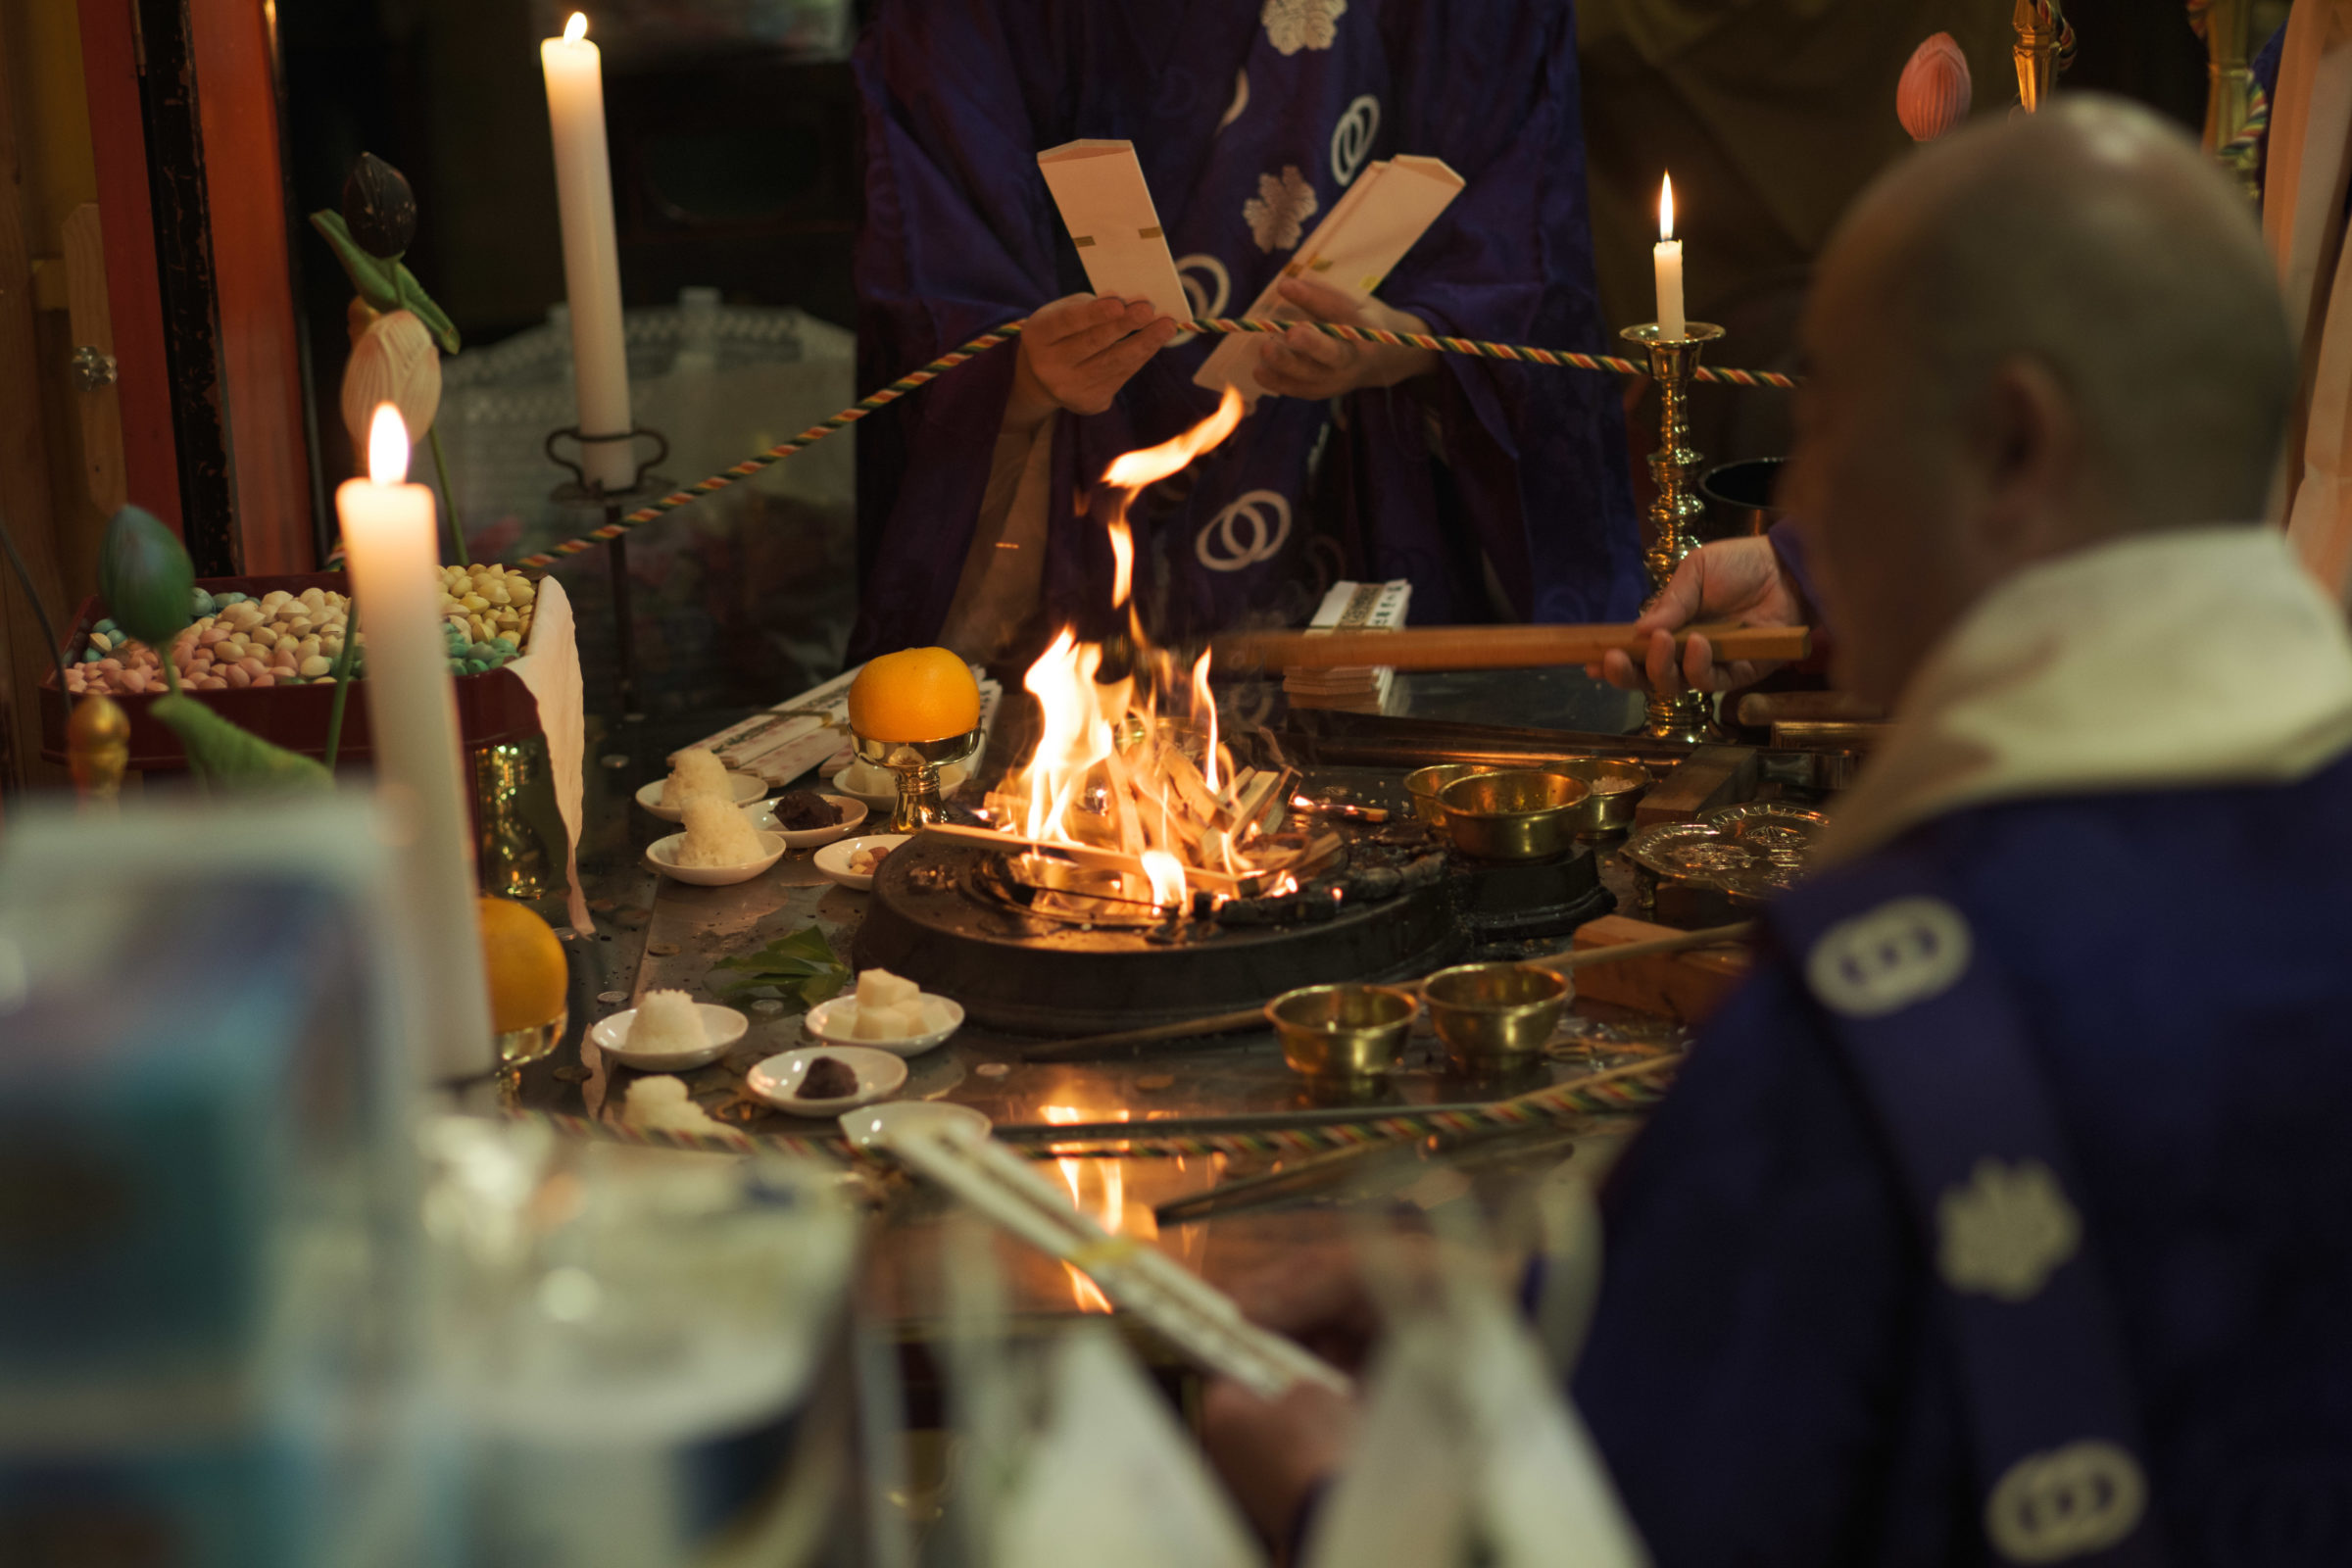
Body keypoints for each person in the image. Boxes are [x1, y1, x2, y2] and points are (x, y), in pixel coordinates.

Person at [1202, 95, 2352, 1565]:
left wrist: (1337, 1496)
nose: (1803, 504)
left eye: (1827, 427)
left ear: (2012, 444)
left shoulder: (1891, 1022)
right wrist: (1557, 1281)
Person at [845, 0, 1642, 668]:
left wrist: (1416, 337)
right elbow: (935, 212)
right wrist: (1013, 373)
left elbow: (1521, 215)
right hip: (1076, 455)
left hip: (1362, 463)